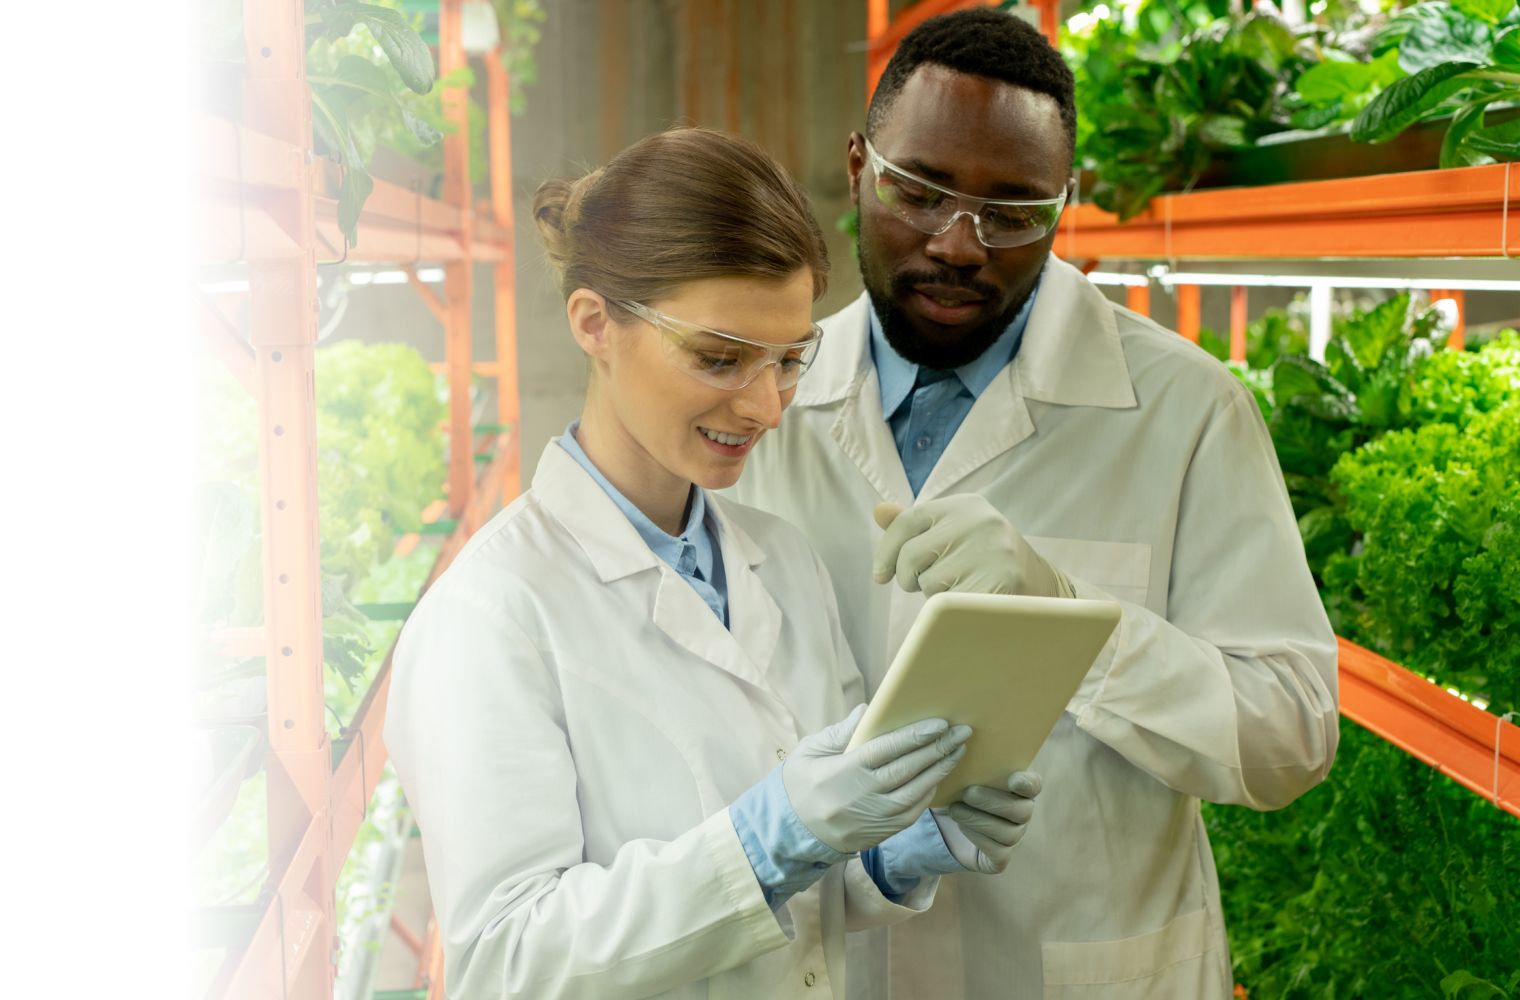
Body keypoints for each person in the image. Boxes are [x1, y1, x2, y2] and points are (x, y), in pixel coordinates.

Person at [732, 10, 1339, 999]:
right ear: (857, 168)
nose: (960, 244)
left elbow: (1288, 739)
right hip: (833, 964)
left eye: (1013, 212)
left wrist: (1067, 619)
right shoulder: (769, 409)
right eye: (918, 191)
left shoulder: (1182, 411)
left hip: (1088, 967)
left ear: (1066, 205)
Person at [384, 127, 1044, 1000]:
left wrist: (891, 851)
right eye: (720, 358)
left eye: (789, 361)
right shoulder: (493, 615)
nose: (766, 406)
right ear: (595, 324)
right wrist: (771, 832)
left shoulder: (780, 559)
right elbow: (508, 958)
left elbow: (801, 891)